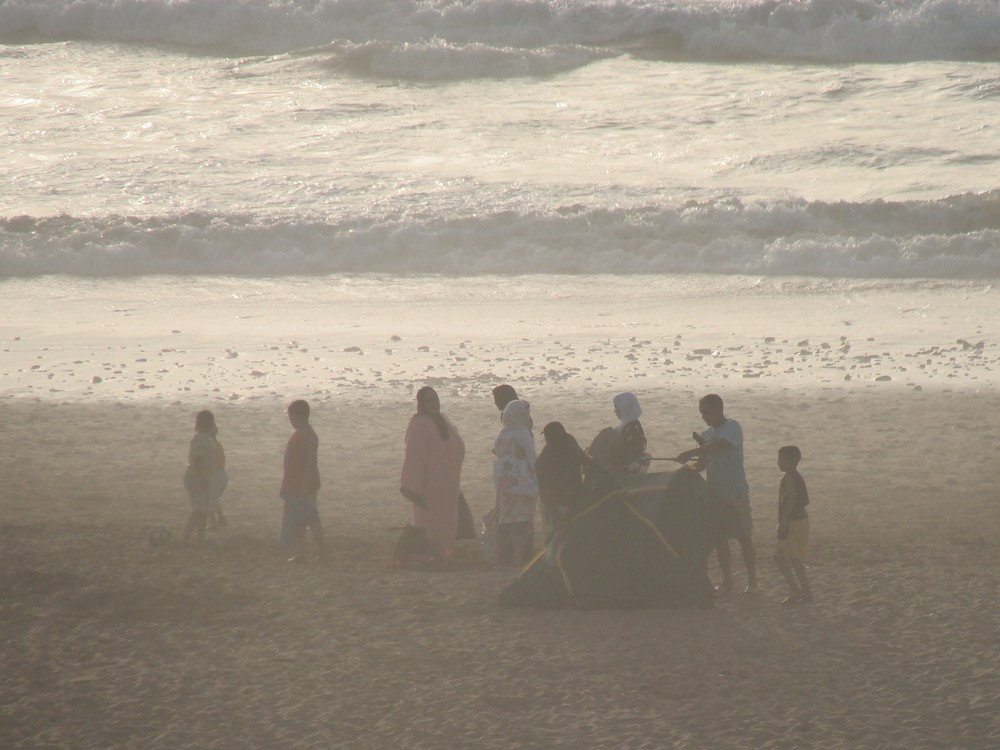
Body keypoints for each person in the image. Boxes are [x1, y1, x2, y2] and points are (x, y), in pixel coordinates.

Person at [676, 394, 759, 594]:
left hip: (736, 492)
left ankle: (753, 582)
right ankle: (728, 582)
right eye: (702, 412)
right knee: (720, 538)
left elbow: (720, 446)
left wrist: (692, 451)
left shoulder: (732, 427)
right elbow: (703, 463)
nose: (704, 416)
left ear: (719, 409)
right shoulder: (706, 433)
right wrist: (687, 468)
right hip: (715, 495)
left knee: (743, 536)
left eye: (707, 411)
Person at [400, 387, 466, 561]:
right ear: (422, 403)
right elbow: (414, 457)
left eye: (436, 399)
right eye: (430, 400)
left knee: (448, 519)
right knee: (429, 521)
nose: (434, 403)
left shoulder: (443, 419)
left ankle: (446, 552)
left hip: (449, 483)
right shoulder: (419, 424)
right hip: (429, 485)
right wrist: (412, 488)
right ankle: (430, 554)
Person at [492, 399, 539, 565]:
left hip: (505, 484)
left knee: (505, 520)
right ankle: (518, 559)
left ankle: (498, 558)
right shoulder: (522, 432)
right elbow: (532, 460)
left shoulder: (501, 434)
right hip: (522, 482)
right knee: (522, 521)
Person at [280, 400, 326, 562]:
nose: (290, 421)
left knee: (312, 519)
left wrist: (305, 486)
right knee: (300, 520)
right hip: (295, 486)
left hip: (305, 486)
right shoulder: (301, 432)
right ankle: (302, 553)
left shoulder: (307, 435)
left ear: (296, 416)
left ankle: (322, 554)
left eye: (291, 417)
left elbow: (312, 462)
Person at [535, 421, 587, 540]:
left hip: (576, 500)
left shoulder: (569, 441)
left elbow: (584, 460)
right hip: (557, 506)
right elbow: (544, 493)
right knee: (554, 541)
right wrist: (558, 518)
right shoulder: (543, 462)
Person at [775, 445, 813, 605]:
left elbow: (791, 499)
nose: (778, 463)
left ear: (791, 460)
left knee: (779, 557)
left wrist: (783, 522)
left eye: (781, 459)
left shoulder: (790, 478)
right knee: (795, 559)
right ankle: (805, 591)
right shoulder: (797, 476)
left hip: (793, 522)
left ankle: (796, 591)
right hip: (802, 520)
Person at [182, 410, 216, 546]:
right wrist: (202, 478)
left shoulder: (202, 438)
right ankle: (185, 539)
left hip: (200, 478)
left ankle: (200, 539)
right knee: (198, 510)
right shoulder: (202, 439)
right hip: (197, 479)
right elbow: (197, 459)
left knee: (203, 510)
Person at [610, 392, 650, 473]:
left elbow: (628, 454)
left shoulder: (633, 429)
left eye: (617, 408)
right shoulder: (627, 426)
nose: (615, 411)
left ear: (625, 408)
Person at [207, 422, 227, 529]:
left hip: (216, 475)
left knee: (210, 500)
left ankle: (212, 523)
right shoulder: (218, 444)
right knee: (214, 499)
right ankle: (221, 518)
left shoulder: (212, 445)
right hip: (222, 474)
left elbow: (213, 463)